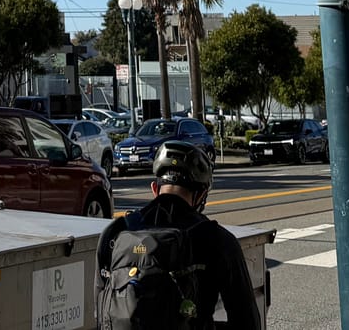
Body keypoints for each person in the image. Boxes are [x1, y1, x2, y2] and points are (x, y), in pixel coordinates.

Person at [97, 140, 260, 330]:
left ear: (154, 188)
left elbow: (101, 311)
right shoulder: (216, 239)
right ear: (201, 195)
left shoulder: (116, 232)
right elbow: (246, 319)